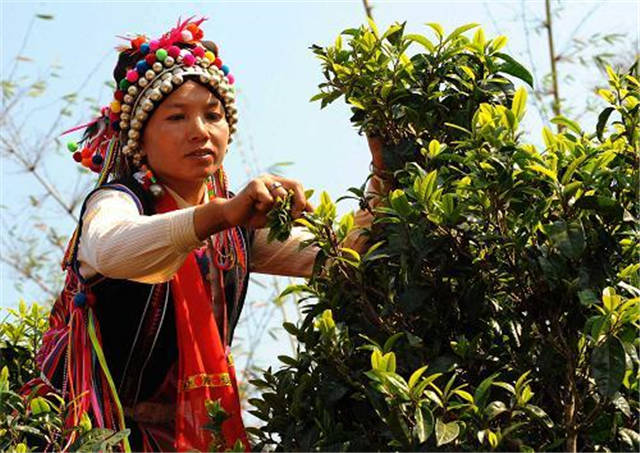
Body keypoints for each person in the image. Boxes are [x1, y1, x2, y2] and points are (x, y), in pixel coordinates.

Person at [28, 17, 391, 452]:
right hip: (96, 435)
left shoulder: (237, 226)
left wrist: (384, 173)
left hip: (195, 437)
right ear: (139, 140)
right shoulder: (118, 202)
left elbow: (342, 257)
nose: (199, 130)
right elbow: (110, 249)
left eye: (213, 115)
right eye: (177, 116)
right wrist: (220, 214)